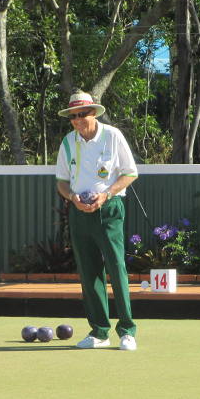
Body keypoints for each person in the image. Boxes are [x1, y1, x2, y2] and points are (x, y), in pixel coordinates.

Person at [55, 92, 139, 350]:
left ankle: (127, 331)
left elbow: (130, 173)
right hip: (79, 213)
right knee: (88, 271)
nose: (78, 120)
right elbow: (61, 182)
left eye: (82, 114)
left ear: (94, 113)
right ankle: (99, 332)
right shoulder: (68, 142)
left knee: (116, 267)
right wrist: (72, 198)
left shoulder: (113, 136)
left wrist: (106, 194)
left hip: (109, 209)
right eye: (73, 116)